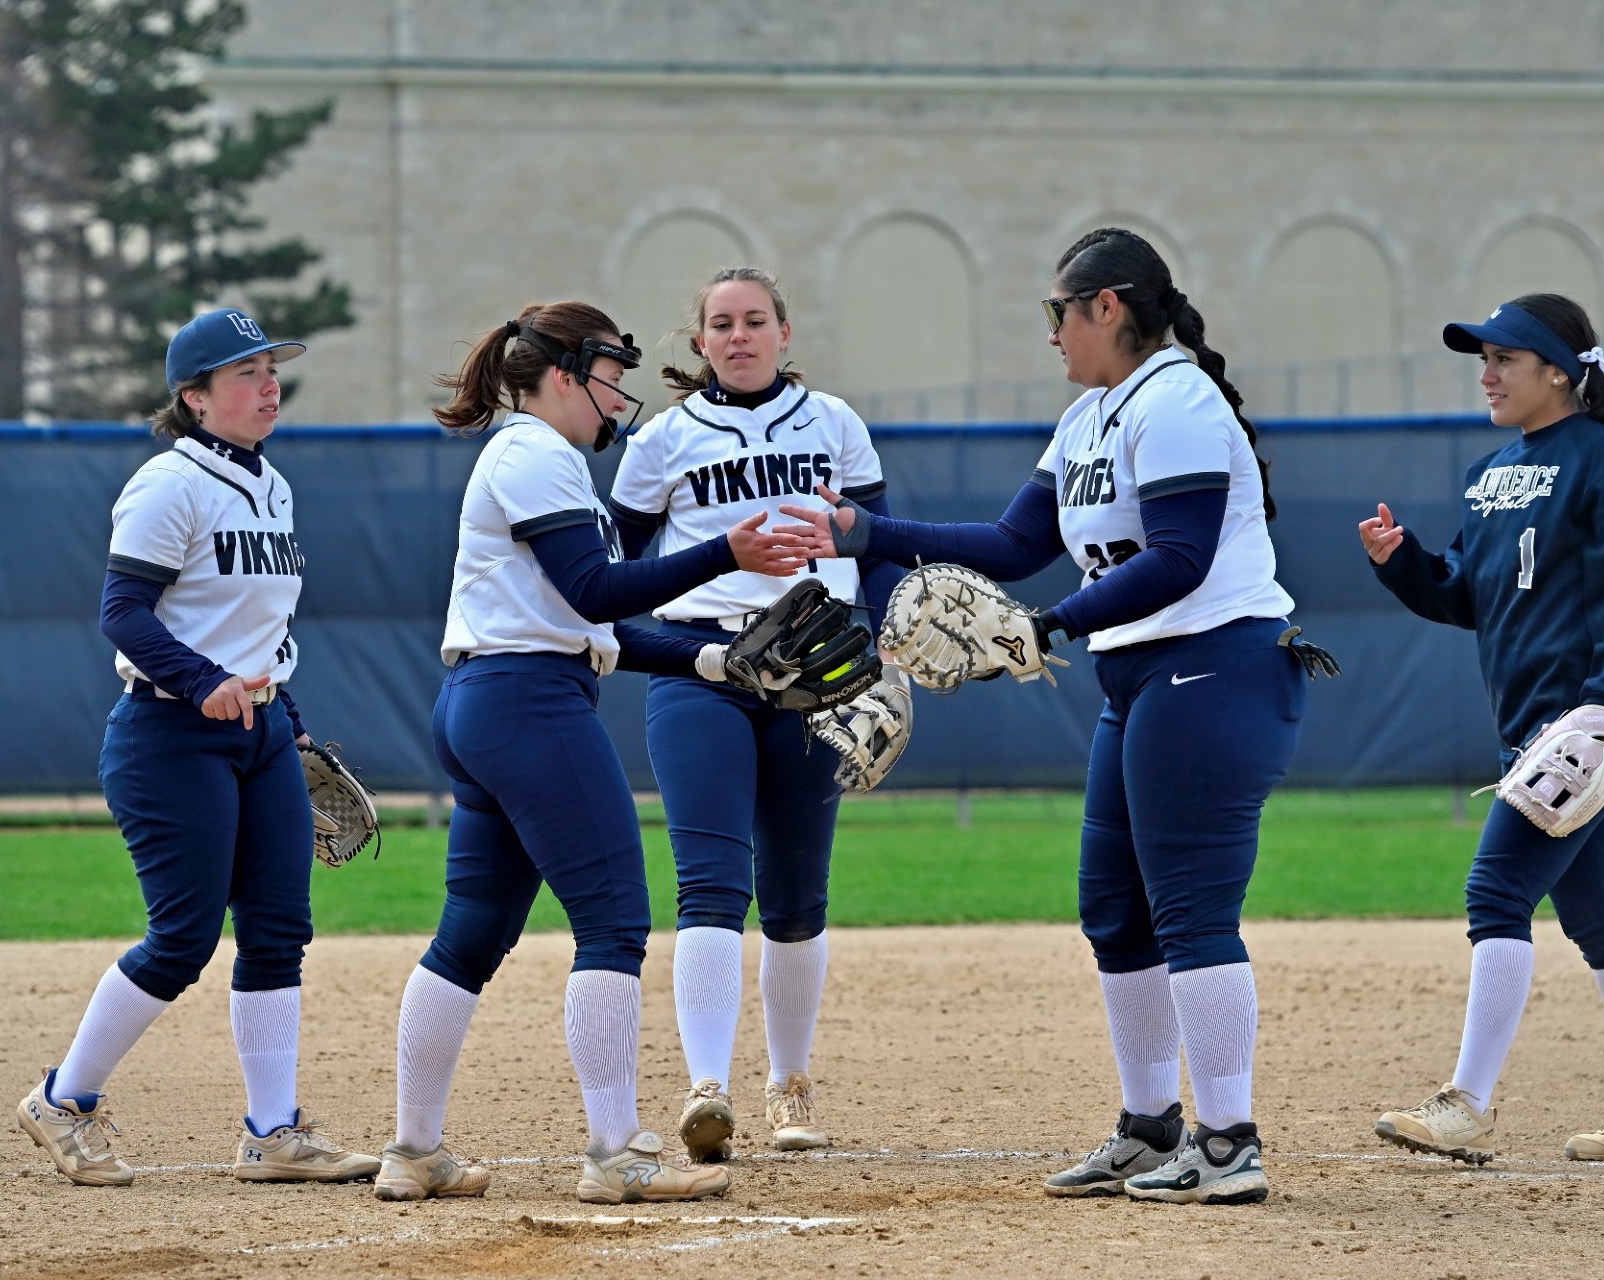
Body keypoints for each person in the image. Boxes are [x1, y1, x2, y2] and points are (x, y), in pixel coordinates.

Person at [780, 227, 1321, 1206]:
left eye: (1057, 314)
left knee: (1191, 911)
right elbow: (1015, 539)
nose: (1052, 335)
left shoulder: (1180, 401)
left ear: (1106, 306)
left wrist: (1051, 622)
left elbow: (1182, 556)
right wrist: (872, 532)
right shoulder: (1088, 416)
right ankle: (1151, 1125)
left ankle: (1231, 1139)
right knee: (1113, 909)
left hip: (1215, 664)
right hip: (1139, 679)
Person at [377, 301, 814, 1205]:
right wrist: (722, 551)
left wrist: (711, 659)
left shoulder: (539, 456)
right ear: (568, 371)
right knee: (613, 923)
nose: (622, 387)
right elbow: (590, 588)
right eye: (613, 366)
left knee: (471, 934)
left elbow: (600, 620)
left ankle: (413, 1151)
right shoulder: (536, 450)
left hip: (490, 701)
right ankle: (615, 1152)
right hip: (529, 705)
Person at [16, 309, 379, 1187]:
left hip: (256, 731)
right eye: (246, 373)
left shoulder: (275, 487)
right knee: (181, 937)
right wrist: (200, 678)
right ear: (194, 395)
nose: (269, 385)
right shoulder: (166, 483)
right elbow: (123, 612)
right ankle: (63, 1099)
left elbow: (260, 628)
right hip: (169, 735)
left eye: (271, 369)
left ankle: (273, 1132)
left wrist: (281, 717)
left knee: (278, 930)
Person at [1363, 293, 1604, 1164]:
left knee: (1495, 894)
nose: (1486, 373)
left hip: (1587, 724)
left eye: (1503, 358)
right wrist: (1404, 567)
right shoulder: (1489, 474)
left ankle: (1468, 1101)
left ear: (1559, 370)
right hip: (1530, 730)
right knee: (1601, 923)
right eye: (1483, 358)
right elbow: (1466, 596)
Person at [606, 267, 906, 1162]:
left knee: (798, 894)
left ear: (783, 331)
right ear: (699, 342)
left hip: (817, 673)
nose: (738, 336)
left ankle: (789, 1083)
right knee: (709, 880)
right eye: (721, 324)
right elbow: (609, 578)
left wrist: (886, 638)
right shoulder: (661, 439)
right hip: (703, 668)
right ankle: (708, 1086)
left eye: (755, 321)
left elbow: (878, 548)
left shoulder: (835, 422)